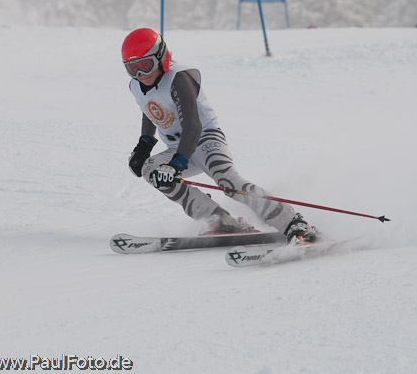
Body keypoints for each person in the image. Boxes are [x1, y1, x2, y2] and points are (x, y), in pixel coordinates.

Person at [121, 28, 318, 244]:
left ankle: (293, 222)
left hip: (205, 139)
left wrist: (177, 162)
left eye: (146, 65)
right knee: (151, 169)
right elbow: (150, 109)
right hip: (178, 148)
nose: (141, 75)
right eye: (133, 68)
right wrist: (144, 146)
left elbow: (193, 125)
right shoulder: (136, 86)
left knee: (228, 182)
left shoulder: (179, 78)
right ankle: (217, 219)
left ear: (161, 56)